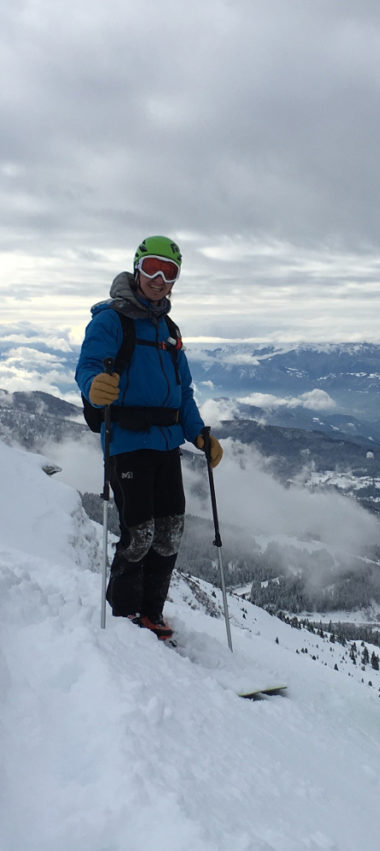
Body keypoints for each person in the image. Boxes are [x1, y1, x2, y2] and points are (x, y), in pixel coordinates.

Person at [76, 235, 223, 642]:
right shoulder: (111, 320)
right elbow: (87, 366)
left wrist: (198, 434)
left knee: (170, 528)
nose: (159, 279)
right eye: (152, 268)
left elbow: (183, 392)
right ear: (137, 268)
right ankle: (125, 615)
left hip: (166, 445)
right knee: (139, 531)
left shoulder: (169, 329)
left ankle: (152, 613)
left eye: (169, 271)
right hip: (125, 442)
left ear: (175, 279)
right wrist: (94, 387)